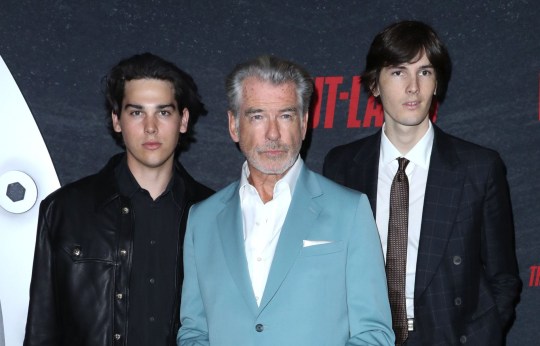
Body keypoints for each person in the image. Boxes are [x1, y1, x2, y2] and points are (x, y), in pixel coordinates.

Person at [323, 21, 521, 345]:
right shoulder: (342, 166)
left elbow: (503, 276)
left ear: (437, 82)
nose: (413, 87)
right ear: (375, 84)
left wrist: (483, 333)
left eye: (425, 72)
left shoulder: (479, 168)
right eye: (399, 72)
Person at [177, 55, 394, 345]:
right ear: (233, 125)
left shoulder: (350, 210)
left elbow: (374, 333)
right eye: (257, 116)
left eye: (286, 115)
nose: (273, 133)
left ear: (304, 124)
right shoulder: (201, 219)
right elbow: (194, 332)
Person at [24, 53, 213, 346]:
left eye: (163, 112)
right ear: (117, 120)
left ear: (183, 120)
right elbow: (41, 332)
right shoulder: (64, 210)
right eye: (136, 112)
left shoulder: (216, 215)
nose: (150, 127)